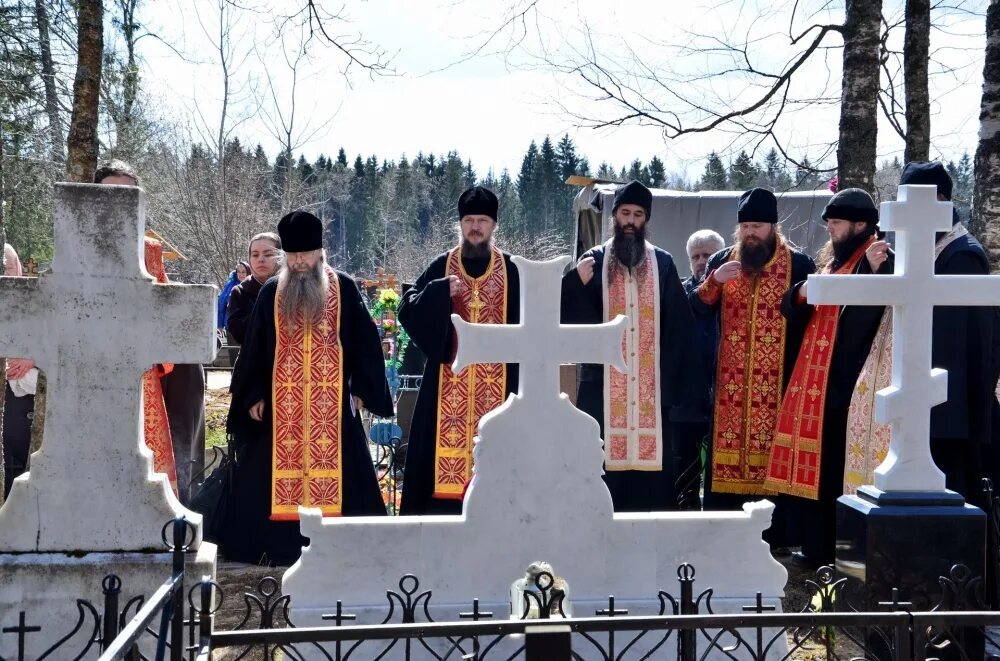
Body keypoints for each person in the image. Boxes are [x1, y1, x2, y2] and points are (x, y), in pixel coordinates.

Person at [224, 210, 392, 565]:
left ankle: (345, 547)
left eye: (306, 254)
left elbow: (365, 341)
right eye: (293, 255)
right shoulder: (272, 290)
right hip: (280, 409)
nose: (299, 262)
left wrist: (362, 387)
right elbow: (254, 347)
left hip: (331, 409)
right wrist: (253, 394)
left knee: (349, 479)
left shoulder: (343, 287)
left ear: (320, 252)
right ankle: (278, 549)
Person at [845, 162, 1000, 505]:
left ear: (941, 202)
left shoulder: (964, 257)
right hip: (921, 404)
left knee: (955, 495)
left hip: (949, 410)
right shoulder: (918, 254)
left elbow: (967, 345)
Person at [560, 180, 708, 511]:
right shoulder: (594, 260)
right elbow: (565, 320)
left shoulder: (663, 263)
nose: (630, 220)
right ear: (615, 217)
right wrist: (573, 284)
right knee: (599, 466)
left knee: (653, 475)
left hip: (651, 392)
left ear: (645, 220)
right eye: (625, 213)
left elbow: (678, 329)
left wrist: (674, 389)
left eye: (638, 214)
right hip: (601, 387)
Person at [763, 188, 892, 567]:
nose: (830, 231)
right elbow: (795, 306)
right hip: (818, 383)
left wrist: (868, 270)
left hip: (849, 385)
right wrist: (803, 292)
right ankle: (816, 549)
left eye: (835, 224)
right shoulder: (836, 262)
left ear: (860, 225)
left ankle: (834, 552)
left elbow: (864, 320)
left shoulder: (878, 259)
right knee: (818, 472)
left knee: (836, 471)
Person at [690, 188, 815, 547]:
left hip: (779, 388)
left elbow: (811, 320)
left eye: (757, 226)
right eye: (744, 226)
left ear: (773, 227)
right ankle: (720, 535)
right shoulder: (723, 262)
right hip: (728, 390)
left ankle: (775, 538)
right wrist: (713, 284)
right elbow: (696, 309)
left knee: (774, 459)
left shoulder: (799, 264)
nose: (750, 234)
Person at [397, 186, 520, 515]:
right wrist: (437, 293)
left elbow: (537, 319)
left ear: (493, 225)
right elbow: (406, 309)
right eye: (468, 220)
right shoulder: (442, 266)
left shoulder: (512, 270)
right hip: (445, 387)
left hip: (500, 390)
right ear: (460, 224)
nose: (475, 227)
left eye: (482, 220)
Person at [227, 234, 281, 346]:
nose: (261, 259)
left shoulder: (292, 289)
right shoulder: (240, 292)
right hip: (254, 360)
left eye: (268, 254)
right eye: (255, 255)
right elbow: (238, 334)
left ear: (281, 257)